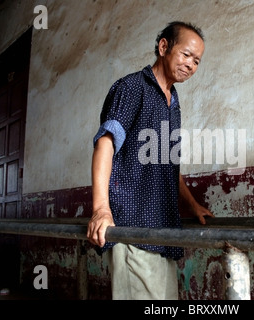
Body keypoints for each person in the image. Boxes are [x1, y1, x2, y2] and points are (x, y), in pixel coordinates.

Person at [86, 21, 214, 300]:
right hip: (132, 225)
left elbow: (167, 163)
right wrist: (100, 210)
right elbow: (105, 143)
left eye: (197, 61)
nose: (191, 65)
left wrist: (192, 205)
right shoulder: (132, 88)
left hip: (164, 230)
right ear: (164, 47)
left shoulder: (173, 102)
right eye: (186, 55)